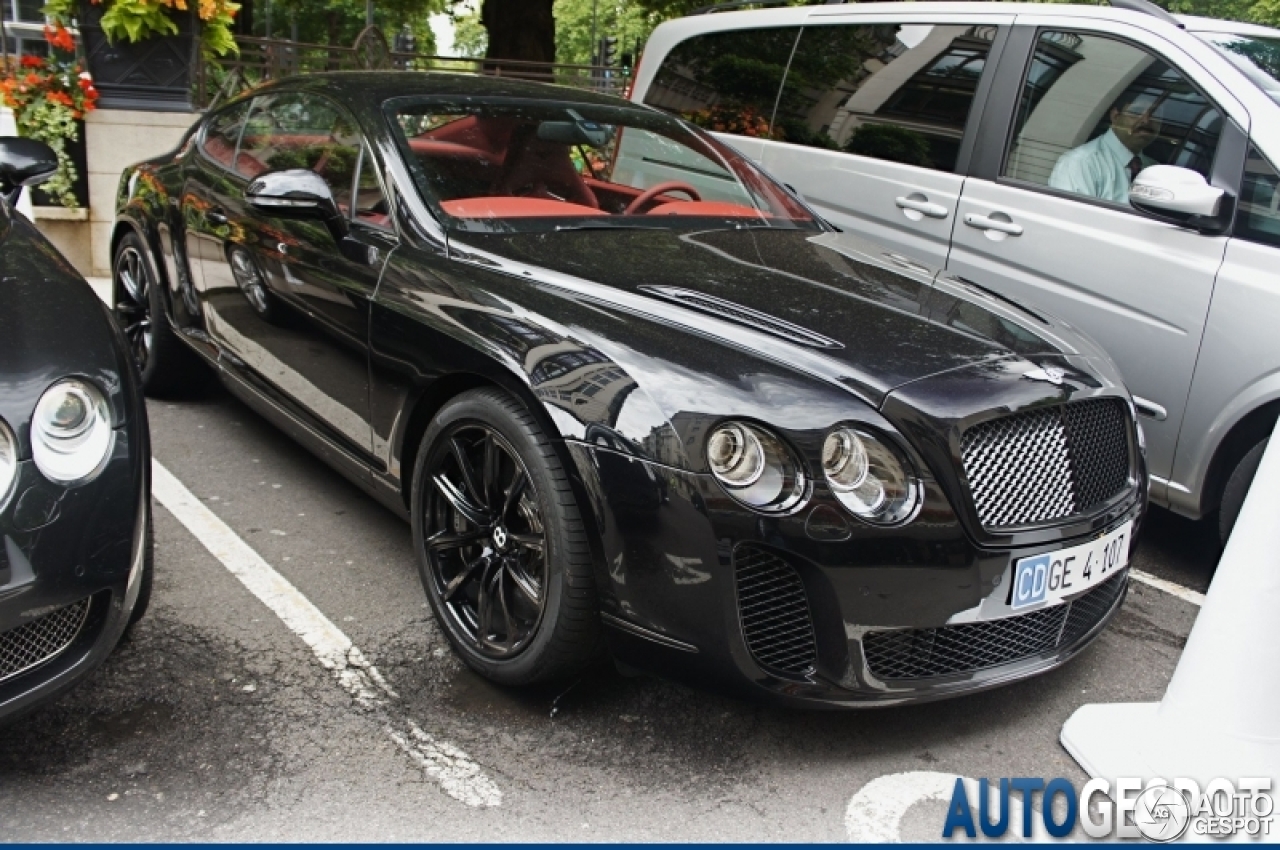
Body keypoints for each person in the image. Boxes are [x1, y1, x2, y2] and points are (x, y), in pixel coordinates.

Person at [1048, 87, 1163, 205]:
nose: (1146, 120)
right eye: (1136, 112)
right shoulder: (1081, 163)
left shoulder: (1155, 171)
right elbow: (1072, 220)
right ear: (1115, 116)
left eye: (1154, 114)